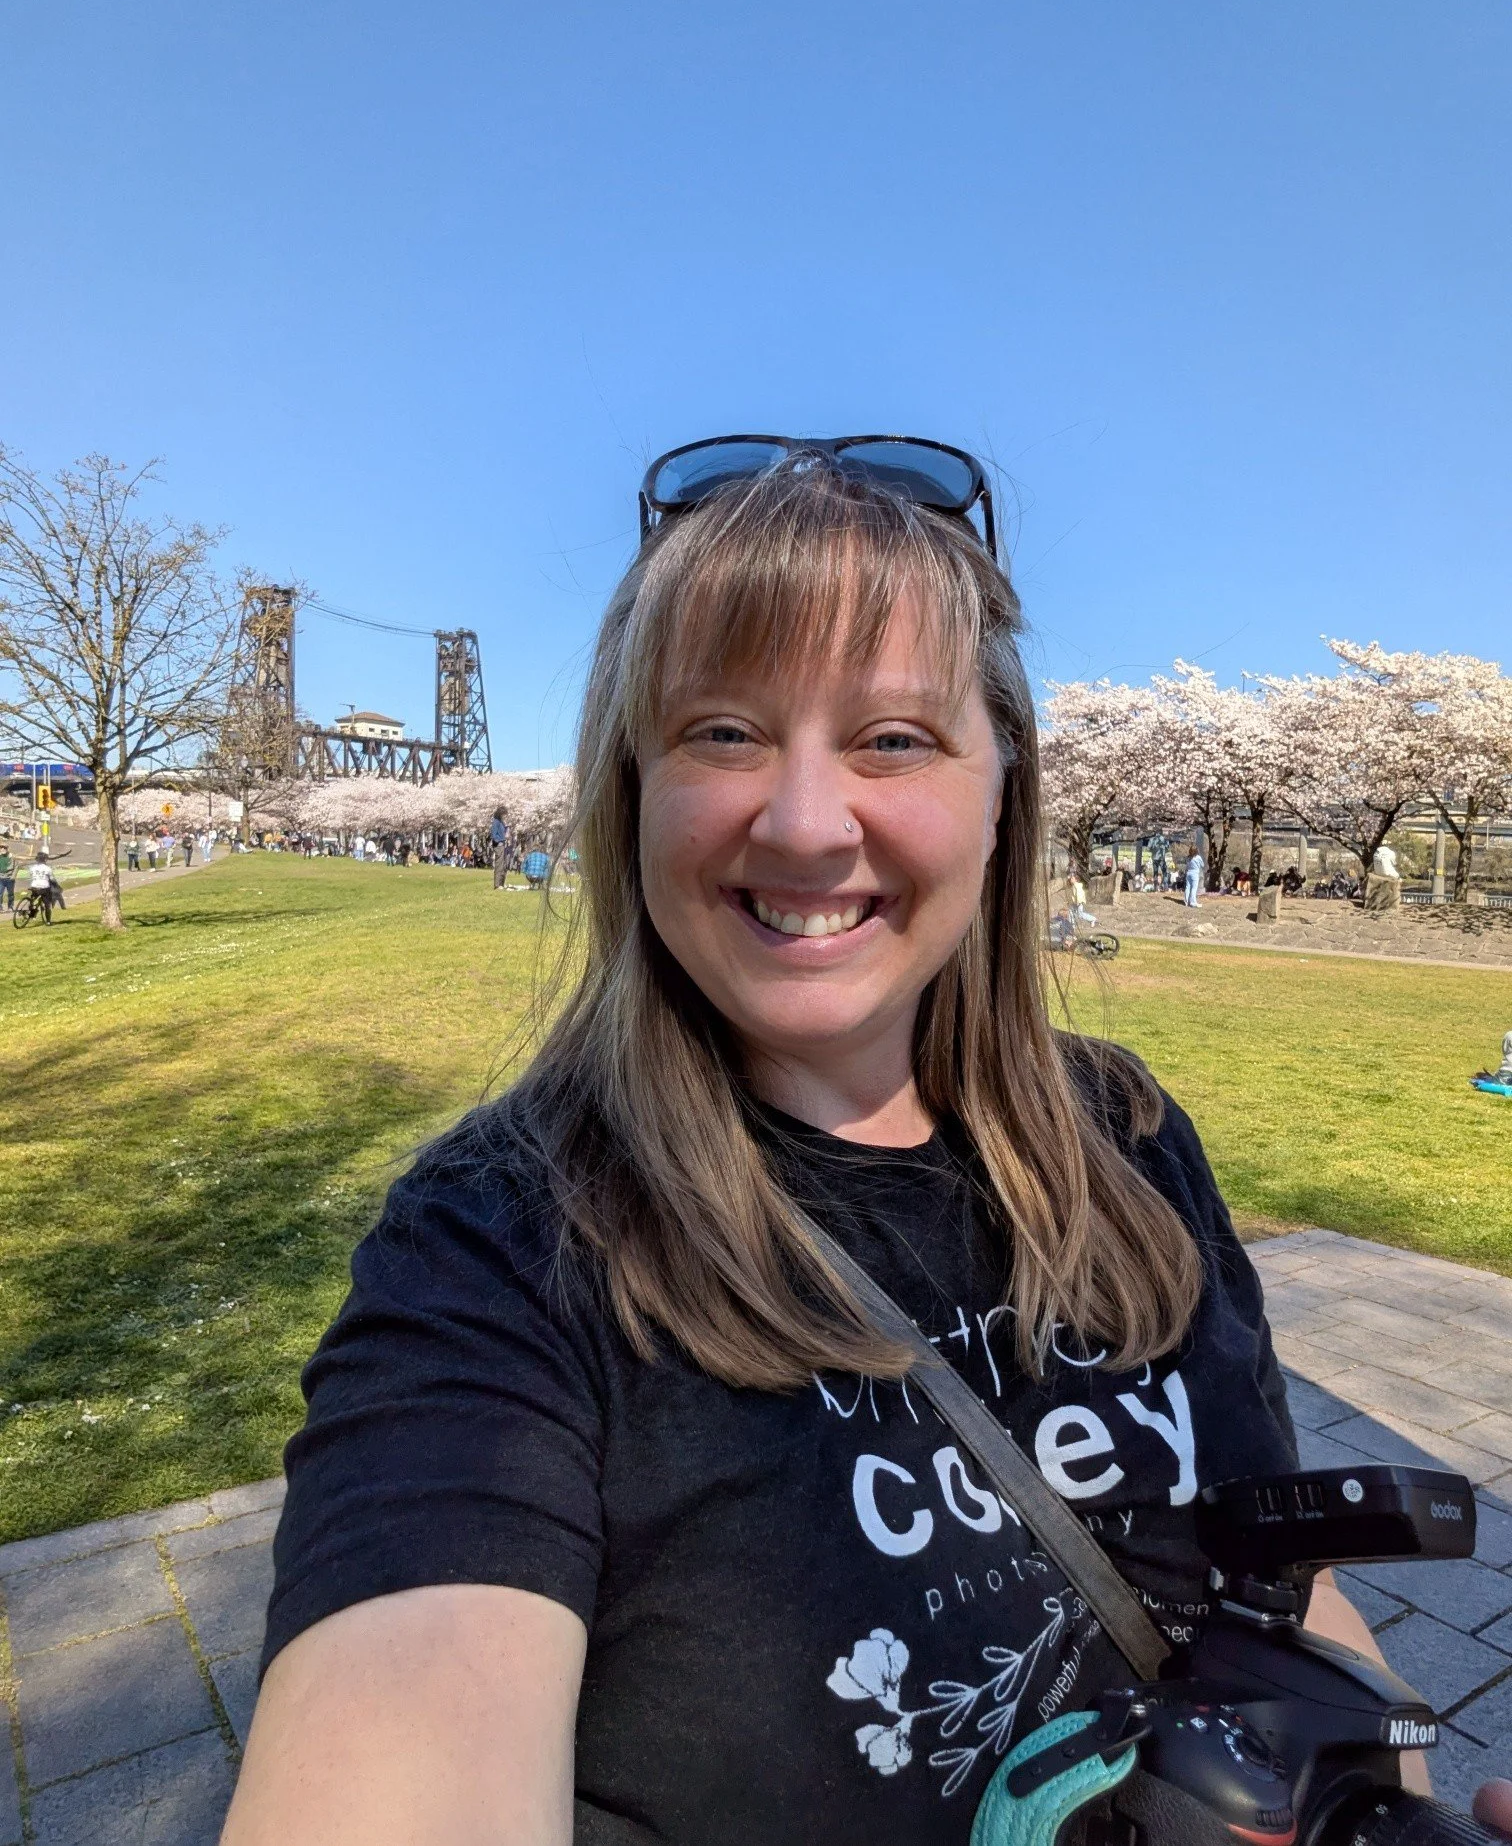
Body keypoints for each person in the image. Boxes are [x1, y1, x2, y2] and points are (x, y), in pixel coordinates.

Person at [224, 448, 1511, 1846]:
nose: (803, 822)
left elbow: (1295, 1598)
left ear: (1003, 786)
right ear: (633, 787)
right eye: (724, 731)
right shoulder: (500, 1250)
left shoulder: (1129, 1139)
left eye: (893, 738)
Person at [0, 841, 13, 911]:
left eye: (4, 847)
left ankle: (10, 907)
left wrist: (2, 869)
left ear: (7, 848)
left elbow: (11, 866)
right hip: (1, 878)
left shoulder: (10, 856)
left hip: (9, 878)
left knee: (10, 894)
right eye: (1, 847)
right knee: (0, 893)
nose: (2, 849)